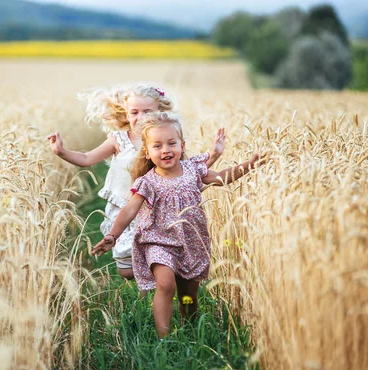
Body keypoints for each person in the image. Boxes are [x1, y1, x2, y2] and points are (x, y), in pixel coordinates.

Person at [91, 112, 265, 338]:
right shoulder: (148, 181)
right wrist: (113, 235)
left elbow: (221, 177)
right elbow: (129, 210)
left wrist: (248, 166)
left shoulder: (193, 170)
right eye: (157, 146)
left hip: (190, 241)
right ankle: (164, 338)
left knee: (188, 295)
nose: (165, 150)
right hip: (158, 241)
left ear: (182, 146)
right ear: (147, 151)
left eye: (172, 143)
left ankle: (190, 328)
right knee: (165, 284)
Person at [47, 84, 225, 280]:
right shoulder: (118, 140)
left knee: (158, 256)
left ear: (160, 113)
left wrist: (214, 155)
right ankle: (156, 272)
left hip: (155, 209)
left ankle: (162, 275)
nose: (140, 117)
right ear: (126, 114)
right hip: (123, 207)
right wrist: (61, 151)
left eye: (147, 112)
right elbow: (87, 159)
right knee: (126, 270)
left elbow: (189, 170)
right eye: (134, 112)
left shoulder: (165, 141)